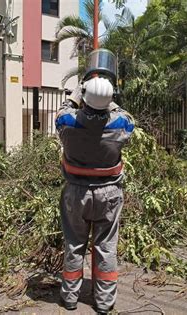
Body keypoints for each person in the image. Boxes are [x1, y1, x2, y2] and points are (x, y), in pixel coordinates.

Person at [55, 49, 134, 314]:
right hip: (109, 195)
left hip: (76, 194)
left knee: (74, 244)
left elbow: (63, 112)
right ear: (110, 97)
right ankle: (104, 303)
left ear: (85, 93)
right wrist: (109, 100)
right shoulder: (122, 124)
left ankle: (69, 299)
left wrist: (77, 95)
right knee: (106, 248)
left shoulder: (67, 123)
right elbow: (125, 117)